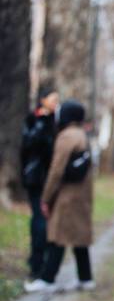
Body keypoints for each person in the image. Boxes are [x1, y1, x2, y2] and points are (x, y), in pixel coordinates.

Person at [24, 100, 95, 293]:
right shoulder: (81, 134)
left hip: (68, 196)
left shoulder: (66, 136)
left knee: (58, 236)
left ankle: (48, 279)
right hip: (82, 195)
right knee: (79, 237)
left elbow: (56, 170)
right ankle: (86, 278)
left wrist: (46, 198)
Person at [20, 87, 59, 280]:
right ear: (43, 100)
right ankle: (36, 263)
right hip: (36, 179)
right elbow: (30, 145)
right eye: (53, 99)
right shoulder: (33, 119)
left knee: (48, 221)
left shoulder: (56, 120)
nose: (55, 103)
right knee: (40, 221)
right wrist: (42, 122)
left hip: (51, 180)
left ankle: (44, 263)